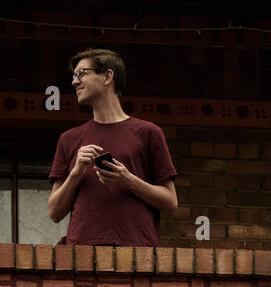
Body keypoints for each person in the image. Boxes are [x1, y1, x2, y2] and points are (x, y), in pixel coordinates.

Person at [49, 48, 178, 246]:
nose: (74, 82)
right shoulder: (69, 139)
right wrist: (75, 173)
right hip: (81, 256)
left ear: (108, 76)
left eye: (81, 73)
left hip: (138, 254)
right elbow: (55, 213)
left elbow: (170, 202)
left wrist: (128, 180)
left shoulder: (149, 133)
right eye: (74, 76)